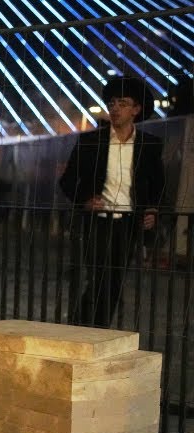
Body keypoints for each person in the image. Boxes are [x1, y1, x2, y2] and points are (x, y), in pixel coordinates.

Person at [60, 76, 165, 329]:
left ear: (136, 110)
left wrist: (153, 209)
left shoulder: (150, 144)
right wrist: (85, 201)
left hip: (129, 223)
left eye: (123, 103)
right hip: (98, 220)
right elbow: (67, 181)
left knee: (115, 279)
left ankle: (90, 327)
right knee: (98, 277)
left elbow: (158, 185)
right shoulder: (89, 142)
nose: (115, 108)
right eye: (112, 103)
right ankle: (88, 328)